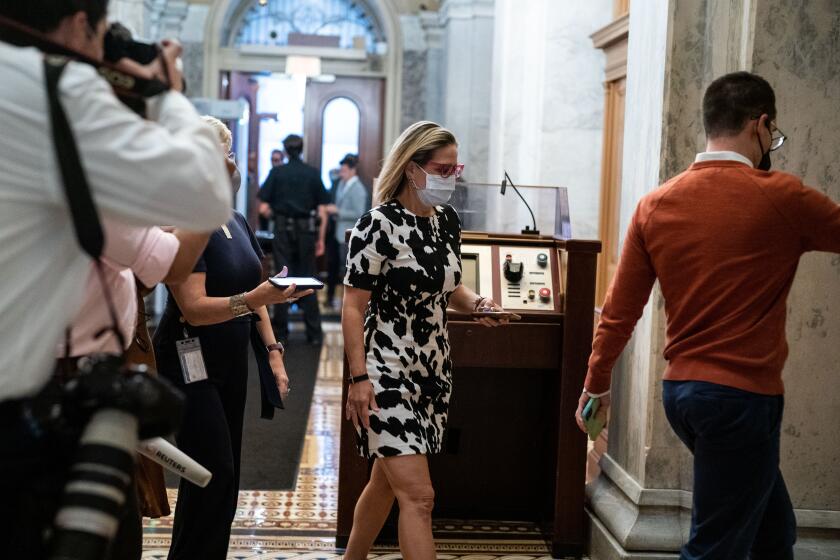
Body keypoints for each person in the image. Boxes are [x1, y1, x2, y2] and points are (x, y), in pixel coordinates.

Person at [576, 72, 840, 560]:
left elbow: (618, 313)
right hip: (741, 398)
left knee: (772, 529)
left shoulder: (654, 205)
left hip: (683, 396)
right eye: (773, 134)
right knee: (714, 548)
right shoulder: (784, 197)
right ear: (761, 125)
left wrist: (595, 386)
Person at [0, 1, 231, 556]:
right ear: (82, 25)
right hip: (37, 400)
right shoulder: (55, 91)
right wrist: (165, 98)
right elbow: (203, 191)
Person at [341, 121, 510, 560]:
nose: (451, 178)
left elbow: (450, 287)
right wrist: (358, 378)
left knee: (384, 482)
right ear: (413, 168)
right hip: (385, 369)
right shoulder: (376, 226)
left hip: (432, 371)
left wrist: (480, 305)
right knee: (419, 496)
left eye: (456, 169)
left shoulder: (446, 223)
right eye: (443, 168)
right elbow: (353, 307)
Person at [153, 117, 312, 560]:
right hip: (189, 356)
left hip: (230, 356)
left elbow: (256, 288)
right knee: (211, 470)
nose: (232, 164)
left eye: (231, 152)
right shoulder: (184, 223)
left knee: (226, 474)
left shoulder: (236, 217)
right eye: (223, 155)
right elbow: (195, 308)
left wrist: (274, 352)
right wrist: (253, 298)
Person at [258, 134, 329, 345]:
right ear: (302, 149)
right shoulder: (313, 174)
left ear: (286, 151)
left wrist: (276, 216)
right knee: (308, 277)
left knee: (282, 279)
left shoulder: (277, 173)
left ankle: (281, 333)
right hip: (306, 233)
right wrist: (321, 239)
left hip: (282, 231)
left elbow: (262, 207)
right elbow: (322, 209)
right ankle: (314, 334)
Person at [325, 154, 369, 308]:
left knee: (346, 268)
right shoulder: (341, 184)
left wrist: (338, 211)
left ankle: (348, 303)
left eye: (343, 170)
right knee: (334, 266)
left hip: (349, 234)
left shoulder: (358, 189)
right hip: (337, 233)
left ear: (352, 170)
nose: (340, 173)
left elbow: (359, 212)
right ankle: (331, 298)